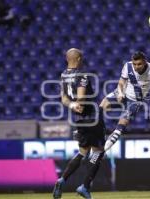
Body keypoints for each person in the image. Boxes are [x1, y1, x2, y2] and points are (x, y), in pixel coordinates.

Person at [53, 48, 106, 199]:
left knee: (83, 152)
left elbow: (63, 99)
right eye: (81, 58)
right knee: (98, 151)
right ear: (78, 59)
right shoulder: (82, 74)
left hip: (79, 119)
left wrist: (72, 106)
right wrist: (79, 103)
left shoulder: (63, 75)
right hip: (92, 117)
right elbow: (82, 97)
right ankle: (85, 186)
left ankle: (62, 179)